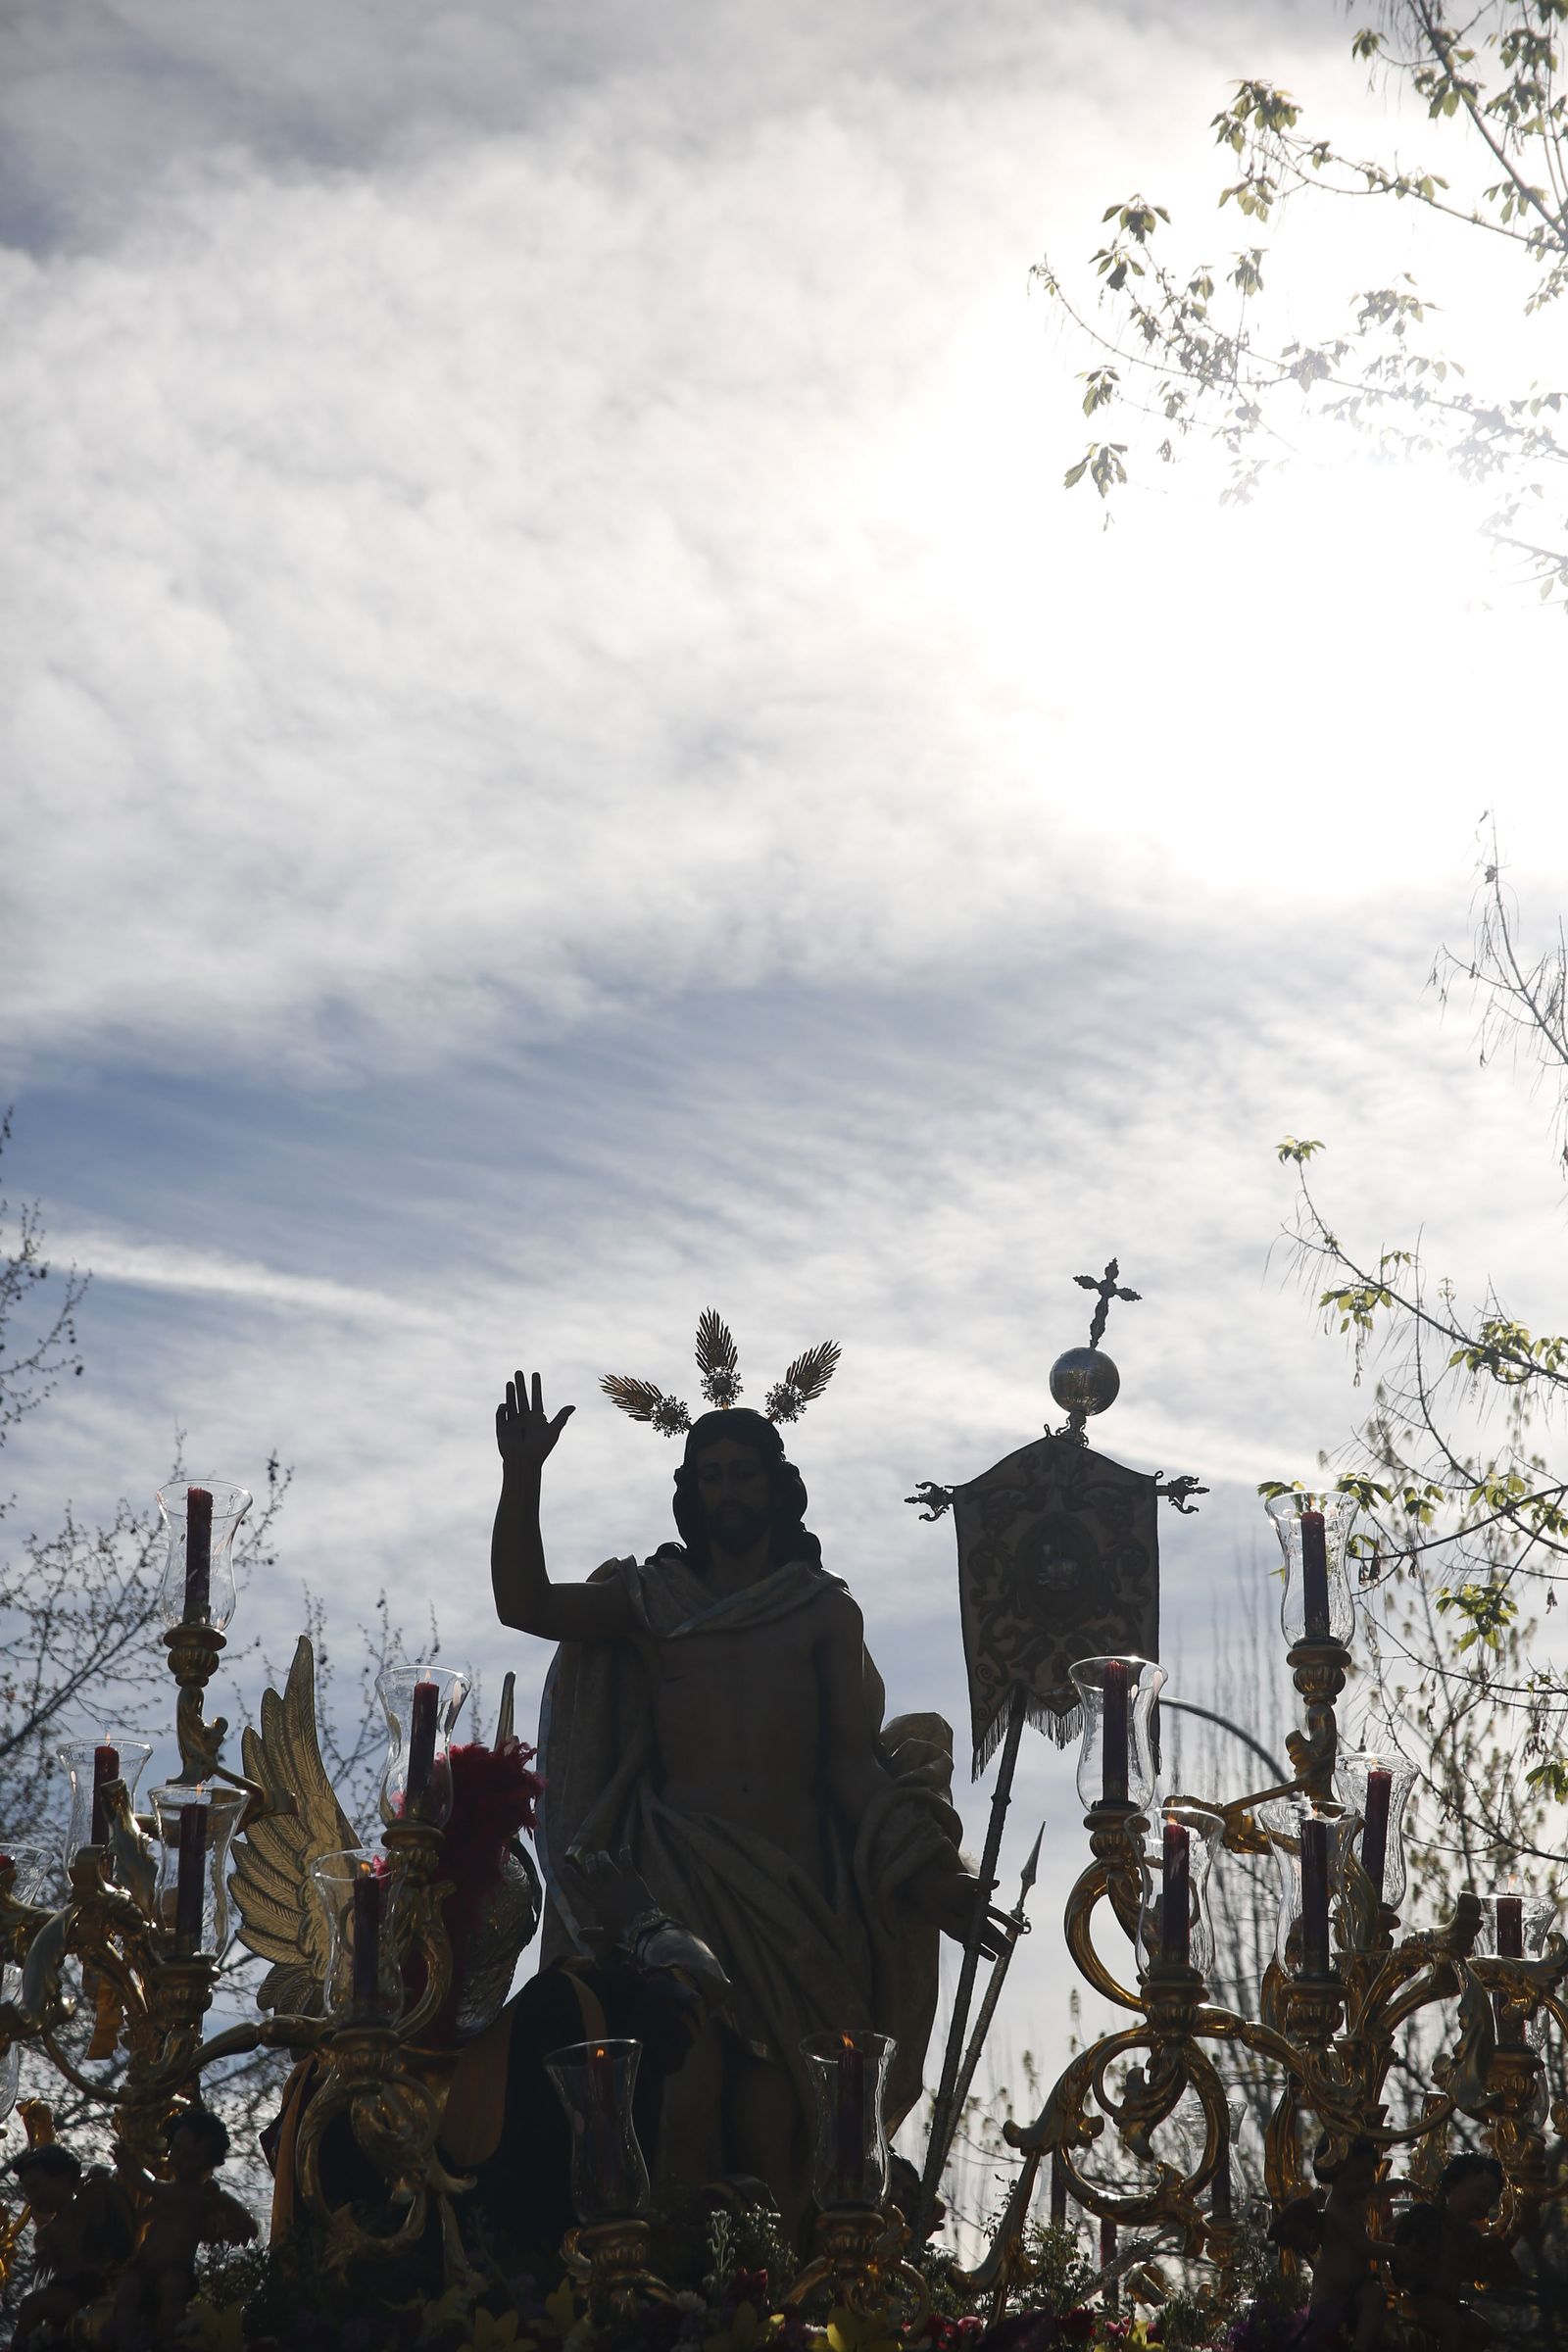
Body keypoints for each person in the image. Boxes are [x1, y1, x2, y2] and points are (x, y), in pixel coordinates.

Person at [492, 1374, 994, 2230]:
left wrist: (933, 1878)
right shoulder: (652, 1601)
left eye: (744, 1473)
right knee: (687, 2087)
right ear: (690, 1494)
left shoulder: (821, 1613)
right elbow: (525, 1602)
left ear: (777, 1488)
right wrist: (523, 1475)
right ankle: (681, 2289)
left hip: (795, 1896)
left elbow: (850, 1765)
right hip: (677, 1877)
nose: (728, 1489)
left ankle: (793, 2292)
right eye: (711, 1474)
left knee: (785, 2113)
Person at [111, 2108, 257, 2348]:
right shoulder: (170, 2194)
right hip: (144, 2264)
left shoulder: (194, 2195)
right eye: (175, 2149)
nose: (178, 2159)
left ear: (209, 2163)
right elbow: (144, 2216)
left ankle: (168, 2343)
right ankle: (123, 2343)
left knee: (172, 2294)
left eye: (190, 2156)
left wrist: (128, 2163)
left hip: (174, 2269)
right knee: (127, 2291)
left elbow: (149, 2185)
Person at [7, 2142, 136, 2351]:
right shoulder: (48, 2233)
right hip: (66, 2291)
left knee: (32, 2305)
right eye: (28, 2192)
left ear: (64, 2177)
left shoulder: (92, 2203)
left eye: (36, 2187)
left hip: (89, 2290)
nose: (33, 2198)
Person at [1267, 2136, 1389, 2352]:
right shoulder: (1337, 2210)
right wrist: (1397, 2252)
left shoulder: (1354, 2204)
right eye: (1356, 2179)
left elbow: (1382, 2191)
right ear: (1334, 2175)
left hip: (1357, 2290)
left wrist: (1407, 2185)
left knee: (1375, 2296)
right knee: (1373, 2296)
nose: (1365, 2185)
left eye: (1369, 2176)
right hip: (1331, 2301)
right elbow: (1366, 2247)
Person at [1392, 2153, 1522, 2352]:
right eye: (1480, 2193)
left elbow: (1482, 2268)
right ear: (1452, 2184)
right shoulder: (1428, 2218)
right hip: (1421, 2299)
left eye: (1490, 2199)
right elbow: (1405, 2258)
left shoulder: (1471, 2236)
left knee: (1482, 2329)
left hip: (1450, 2302)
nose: (1483, 2203)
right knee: (1451, 2326)